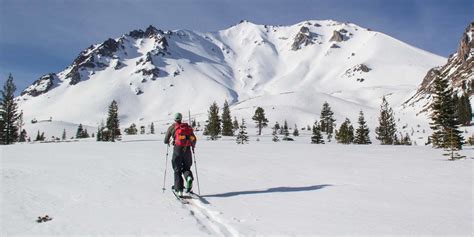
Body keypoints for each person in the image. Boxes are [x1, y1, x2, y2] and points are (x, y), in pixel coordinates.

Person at [164, 112, 197, 196]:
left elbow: (165, 140)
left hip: (177, 150)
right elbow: (194, 139)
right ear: (181, 118)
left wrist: (169, 141)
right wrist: (192, 147)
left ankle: (179, 189)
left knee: (177, 169)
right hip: (187, 150)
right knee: (186, 167)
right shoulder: (187, 128)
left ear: (175, 119)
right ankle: (188, 177)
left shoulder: (172, 127)